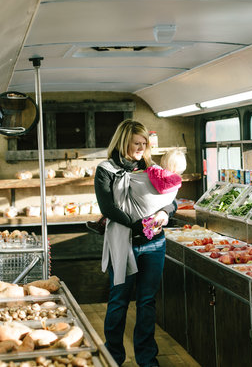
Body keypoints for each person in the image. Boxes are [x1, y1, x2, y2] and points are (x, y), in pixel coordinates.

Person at [93, 119, 181, 367]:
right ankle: (114, 357)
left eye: (145, 143)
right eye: (137, 143)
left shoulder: (153, 169)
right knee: (119, 300)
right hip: (124, 243)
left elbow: (172, 198)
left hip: (154, 244)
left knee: (147, 302)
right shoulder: (106, 170)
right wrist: (140, 224)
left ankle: (147, 360)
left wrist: (165, 213)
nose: (142, 148)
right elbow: (108, 207)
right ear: (123, 142)